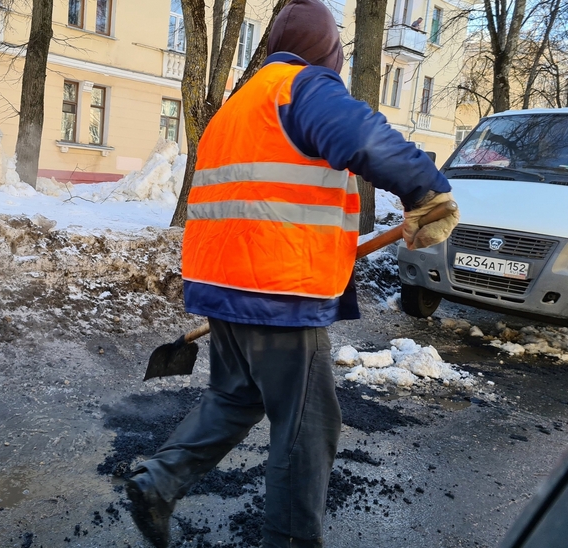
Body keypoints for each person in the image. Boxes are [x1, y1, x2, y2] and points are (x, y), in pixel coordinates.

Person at [124, 0, 460, 547]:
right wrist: (427, 189)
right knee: (308, 430)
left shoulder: (238, 106)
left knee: (235, 397)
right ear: (327, 52)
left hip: (223, 285)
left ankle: (160, 482)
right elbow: (363, 137)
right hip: (278, 288)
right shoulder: (304, 87)